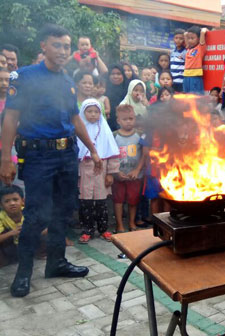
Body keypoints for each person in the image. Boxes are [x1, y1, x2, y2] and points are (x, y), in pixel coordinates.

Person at [0, 24, 102, 298]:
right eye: (57, 45)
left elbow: (74, 119)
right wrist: (4, 158)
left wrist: (92, 148)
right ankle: (23, 273)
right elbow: (10, 117)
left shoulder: (68, 81)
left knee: (63, 211)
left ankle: (56, 262)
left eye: (66, 46)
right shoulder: (24, 76)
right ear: (43, 46)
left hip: (66, 155)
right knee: (35, 215)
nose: (62, 51)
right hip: (38, 156)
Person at [77, 99, 120, 244]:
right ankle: (87, 230)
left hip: (101, 173)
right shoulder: (78, 132)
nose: (93, 114)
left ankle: (103, 229)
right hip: (84, 173)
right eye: (89, 111)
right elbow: (75, 155)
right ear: (83, 112)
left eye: (96, 111)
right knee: (85, 204)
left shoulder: (105, 131)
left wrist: (110, 173)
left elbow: (112, 153)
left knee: (102, 204)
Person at [112, 104, 144, 233]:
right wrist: (116, 171)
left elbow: (144, 155)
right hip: (119, 175)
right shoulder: (114, 136)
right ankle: (119, 224)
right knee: (118, 200)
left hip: (135, 175)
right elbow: (111, 155)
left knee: (133, 199)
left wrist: (137, 170)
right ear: (118, 121)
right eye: (125, 119)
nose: (128, 122)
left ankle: (131, 222)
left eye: (131, 118)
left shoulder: (140, 135)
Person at [0, 185, 24, 267]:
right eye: (7, 201)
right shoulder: (1, 217)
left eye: (15, 199)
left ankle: (41, 254)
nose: (12, 203)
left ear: (22, 201)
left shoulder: (29, 211)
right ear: (1, 205)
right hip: (11, 247)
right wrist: (12, 233)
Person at [183, 26, 208, 94]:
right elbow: (185, 35)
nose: (190, 40)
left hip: (195, 77)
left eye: (192, 38)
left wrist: (202, 32)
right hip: (186, 76)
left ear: (199, 38)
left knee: (195, 97)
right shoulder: (188, 48)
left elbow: (203, 32)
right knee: (186, 96)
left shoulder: (200, 48)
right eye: (189, 38)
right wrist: (186, 35)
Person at [106, 64, 128, 131]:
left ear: (123, 75)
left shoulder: (128, 89)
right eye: (112, 74)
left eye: (118, 74)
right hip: (108, 125)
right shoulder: (104, 90)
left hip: (125, 124)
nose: (115, 76)